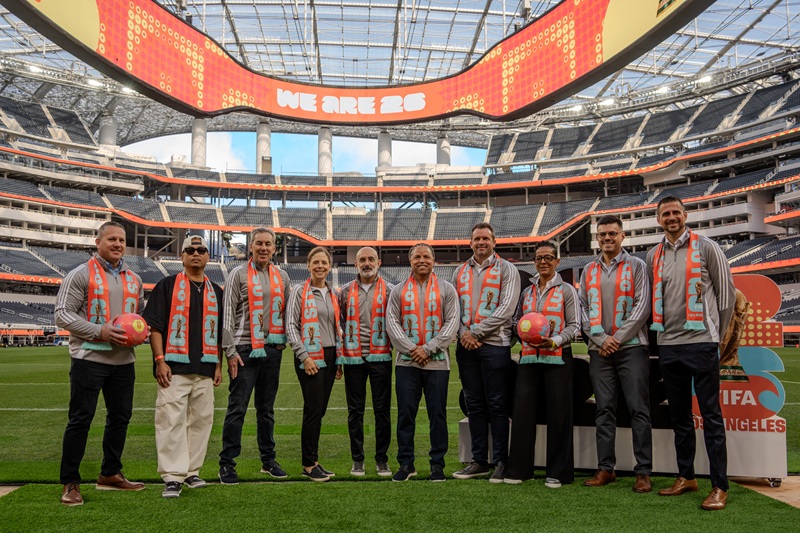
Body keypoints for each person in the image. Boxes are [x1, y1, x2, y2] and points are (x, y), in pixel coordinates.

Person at [647, 196, 735, 511]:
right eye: (665, 213)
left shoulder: (707, 247)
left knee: (711, 415)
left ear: (685, 215)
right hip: (668, 345)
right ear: (658, 219)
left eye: (675, 212)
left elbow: (726, 297)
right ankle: (686, 476)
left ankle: (719, 486)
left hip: (701, 342)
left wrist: (716, 336)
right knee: (680, 416)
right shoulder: (652, 254)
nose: (671, 217)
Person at [55, 221, 146, 506]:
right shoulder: (79, 274)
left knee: (120, 418)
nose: (118, 244)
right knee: (81, 419)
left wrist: (138, 333)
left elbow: (138, 316)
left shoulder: (134, 279)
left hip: (123, 361)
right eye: (111, 239)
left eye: (121, 240)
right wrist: (99, 331)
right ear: (98, 242)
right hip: (89, 358)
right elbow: (62, 315)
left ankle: (110, 473)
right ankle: (71, 481)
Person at [142, 236, 224, 498]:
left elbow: (220, 333)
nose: (196, 253)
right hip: (174, 367)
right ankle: (172, 476)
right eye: (190, 250)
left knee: (201, 421)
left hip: (206, 367)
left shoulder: (217, 291)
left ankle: (191, 471)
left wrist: (219, 366)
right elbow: (155, 327)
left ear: (208, 256)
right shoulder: (167, 285)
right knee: (171, 421)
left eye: (201, 250)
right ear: (182, 256)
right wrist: (160, 360)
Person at [579, 215, 653, 493]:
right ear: (597, 238)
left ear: (622, 236)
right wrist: (600, 339)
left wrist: (617, 339)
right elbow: (583, 309)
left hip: (632, 347)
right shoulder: (588, 270)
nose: (607, 238)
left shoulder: (637, 265)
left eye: (612, 233)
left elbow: (642, 305)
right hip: (599, 350)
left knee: (638, 409)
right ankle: (605, 468)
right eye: (602, 235)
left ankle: (643, 471)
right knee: (604, 409)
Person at [504, 242, 580, 488]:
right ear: (534, 262)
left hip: (558, 359)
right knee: (522, 414)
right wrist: (520, 333)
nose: (543, 262)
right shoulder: (527, 292)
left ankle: (558, 472)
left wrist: (554, 340)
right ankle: (519, 469)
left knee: (559, 415)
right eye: (538, 258)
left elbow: (575, 325)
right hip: (528, 359)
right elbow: (517, 321)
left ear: (557, 261)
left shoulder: (567, 290)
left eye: (548, 258)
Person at [218, 227, 290, 484]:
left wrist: (283, 343)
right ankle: (227, 463)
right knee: (237, 408)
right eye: (258, 243)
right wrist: (229, 351)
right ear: (250, 246)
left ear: (274, 248)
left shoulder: (282, 276)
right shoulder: (237, 274)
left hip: (271, 349)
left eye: (268, 244)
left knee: (266, 409)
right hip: (244, 349)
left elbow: (286, 313)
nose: (263, 248)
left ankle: (268, 460)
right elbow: (227, 315)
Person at [451, 222, 520, 482]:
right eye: (477, 239)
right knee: (474, 405)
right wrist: (462, 334)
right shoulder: (459, 271)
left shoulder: (508, 269)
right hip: (466, 347)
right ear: (470, 243)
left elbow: (507, 308)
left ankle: (501, 460)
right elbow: (453, 309)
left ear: (494, 242)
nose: (481, 243)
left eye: (486, 239)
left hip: (495, 346)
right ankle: (479, 460)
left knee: (497, 405)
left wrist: (475, 333)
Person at [386, 243, 459, 482]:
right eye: (417, 256)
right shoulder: (397, 290)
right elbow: (392, 324)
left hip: (437, 363)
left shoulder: (447, 288)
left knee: (437, 414)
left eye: (426, 256)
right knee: (406, 414)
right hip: (406, 363)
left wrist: (428, 348)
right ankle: (406, 463)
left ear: (433, 260)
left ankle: (437, 464)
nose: (422, 260)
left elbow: (452, 323)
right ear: (410, 261)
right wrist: (411, 350)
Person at [286, 246, 343, 482]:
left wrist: (338, 358)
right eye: (316, 262)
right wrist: (304, 356)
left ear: (330, 266)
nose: (320, 266)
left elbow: (335, 327)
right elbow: (290, 326)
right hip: (310, 356)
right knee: (312, 409)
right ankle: (309, 464)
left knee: (319, 410)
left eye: (324, 262)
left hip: (330, 356)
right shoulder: (299, 291)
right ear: (308, 266)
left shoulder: (333, 293)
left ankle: (314, 460)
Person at [338, 247, 395, 477]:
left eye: (371, 259)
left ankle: (382, 460)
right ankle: (358, 460)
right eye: (362, 260)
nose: (367, 263)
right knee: (355, 411)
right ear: (356, 264)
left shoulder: (391, 290)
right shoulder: (344, 292)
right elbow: (339, 324)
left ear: (378, 262)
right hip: (354, 357)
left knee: (382, 411)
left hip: (381, 356)